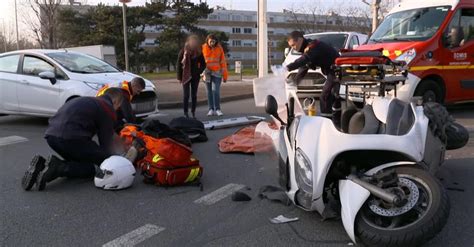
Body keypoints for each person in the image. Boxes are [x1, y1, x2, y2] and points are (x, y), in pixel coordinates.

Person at [21, 88, 125, 191]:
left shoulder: (88, 101)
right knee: (98, 166)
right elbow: (106, 144)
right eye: (118, 107)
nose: (116, 110)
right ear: (115, 102)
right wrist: (120, 160)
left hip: (52, 137)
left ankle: (42, 165)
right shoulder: (107, 108)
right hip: (72, 139)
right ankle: (58, 168)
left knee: (79, 161)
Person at [285, 31, 341, 127]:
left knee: (325, 96)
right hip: (333, 71)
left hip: (337, 70)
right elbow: (303, 67)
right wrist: (294, 83)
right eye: (291, 46)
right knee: (333, 97)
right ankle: (337, 123)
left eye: (293, 45)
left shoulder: (313, 46)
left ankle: (326, 124)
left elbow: (303, 60)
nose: (293, 48)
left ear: (300, 40)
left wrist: (287, 67)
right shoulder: (308, 48)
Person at [177, 34, 206, 118]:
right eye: (192, 41)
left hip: (195, 76)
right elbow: (178, 64)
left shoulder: (198, 52)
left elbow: (204, 64)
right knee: (186, 95)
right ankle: (185, 112)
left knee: (194, 95)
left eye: (195, 41)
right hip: (185, 76)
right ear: (189, 42)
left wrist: (198, 71)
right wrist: (179, 77)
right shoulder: (183, 51)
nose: (193, 43)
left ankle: (193, 112)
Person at [202, 34, 228, 116]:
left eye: (213, 41)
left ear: (216, 41)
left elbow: (223, 63)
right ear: (207, 41)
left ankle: (217, 109)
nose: (212, 43)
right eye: (210, 41)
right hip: (207, 73)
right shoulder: (203, 48)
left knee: (216, 91)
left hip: (217, 73)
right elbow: (200, 61)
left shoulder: (219, 49)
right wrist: (201, 72)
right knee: (209, 92)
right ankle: (211, 109)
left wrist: (225, 76)